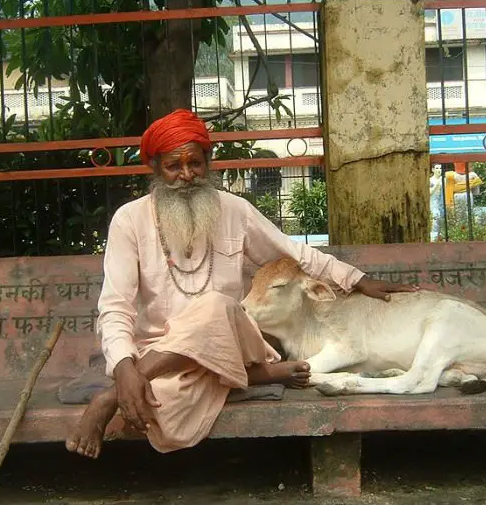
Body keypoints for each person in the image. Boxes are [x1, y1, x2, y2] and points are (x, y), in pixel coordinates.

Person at [65, 109, 418, 459]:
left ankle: (108, 399)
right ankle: (256, 375)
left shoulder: (235, 210)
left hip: (231, 340)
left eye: (195, 164)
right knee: (162, 403)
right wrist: (125, 368)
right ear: (155, 168)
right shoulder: (130, 220)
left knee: (215, 304)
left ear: (208, 161)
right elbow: (115, 307)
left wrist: (358, 279)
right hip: (161, 353)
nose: (186, 175)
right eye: (174, 166)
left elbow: (294, 253)